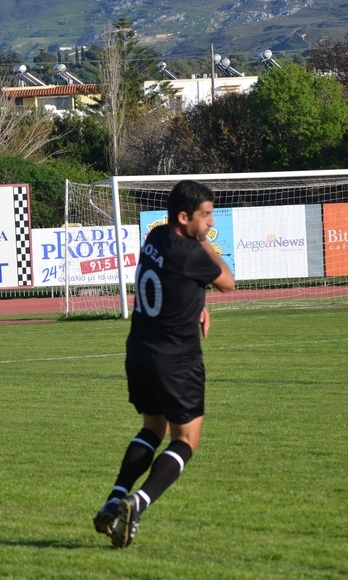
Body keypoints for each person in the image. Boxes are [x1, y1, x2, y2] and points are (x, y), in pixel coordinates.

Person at [94, 180, 235, 548]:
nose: (210, 223)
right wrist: (205, 243)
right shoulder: (192, 253)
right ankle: (137, 503)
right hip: (176, 360)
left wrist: (197, 305)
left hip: (140, 352)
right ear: (184, 217)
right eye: (206, 216)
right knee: (186, 439)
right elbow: (227, 282)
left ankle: (115, 497)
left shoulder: (155, 238)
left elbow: (176, 283)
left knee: (152, 428)